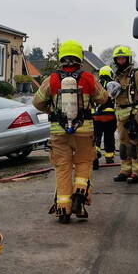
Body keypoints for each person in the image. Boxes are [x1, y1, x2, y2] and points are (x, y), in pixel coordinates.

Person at [32, 40, 109, 223]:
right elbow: (103, 98)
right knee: (83, 163)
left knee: (63, 169)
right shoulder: (88, 78)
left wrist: (51, 110)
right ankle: (80, 198)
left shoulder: (51, 79)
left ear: (61, 58)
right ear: (79, 58)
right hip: (84, 131)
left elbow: (37, 102)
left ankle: (63, 210)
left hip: (58, 133)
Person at [111, 46, 138, 184]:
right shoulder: (116, 75)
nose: (121, 61)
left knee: (136, 144)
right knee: (123, 144)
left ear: (128, 59)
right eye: (118, 59)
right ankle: (125, 170)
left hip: (134, 114)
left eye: (123, 58)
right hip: (121, 114)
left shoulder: (136, 74)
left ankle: (137, 173)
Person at [92, 66, 117, 169]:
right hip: (109, 116)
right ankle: (109, 157)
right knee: (109, 136)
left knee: (96, 135)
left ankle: (96, 151)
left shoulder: (96, 83)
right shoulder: (113, 84)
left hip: (96, 116)